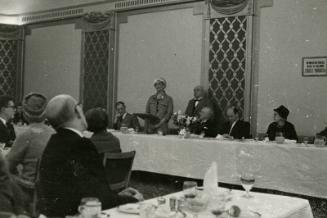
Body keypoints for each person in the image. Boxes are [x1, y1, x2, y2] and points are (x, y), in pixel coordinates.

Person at [38, 95, 142, 217]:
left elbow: (85, 192)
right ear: (77, 112)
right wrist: (134, 200)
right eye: (80, 106)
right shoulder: (82, 145)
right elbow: (98, 200)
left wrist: (117, 196)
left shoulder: (54, 142)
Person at [7, 93, 54, 204]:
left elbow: (7, 165)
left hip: (29, 190)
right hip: (51, 190)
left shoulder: (26, 134)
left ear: (25, 113)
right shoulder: (54, 133)